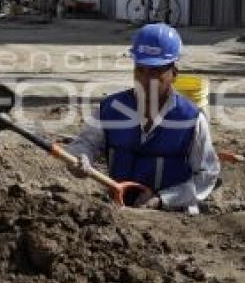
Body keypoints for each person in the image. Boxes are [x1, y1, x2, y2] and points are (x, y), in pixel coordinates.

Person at [66, 24, 220, 212]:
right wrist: (80, 158)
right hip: (120, 213)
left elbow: (207, 174)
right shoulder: (112, 109)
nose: (145, 80)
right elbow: (85, 143)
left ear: (173, 74)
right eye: (140, 70)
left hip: (175, 219)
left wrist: (163, 199)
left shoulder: (191, 119)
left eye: (155, 72)